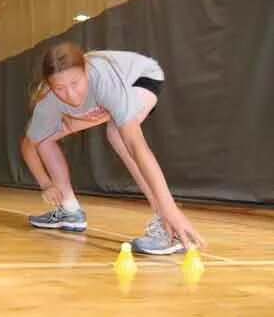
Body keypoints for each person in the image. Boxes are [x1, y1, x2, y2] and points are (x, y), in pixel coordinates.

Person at [21, 41, 205, 254]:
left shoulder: (104, 80)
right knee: (45, 137)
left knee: (118, 133)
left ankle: (166, 223)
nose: (71, 95)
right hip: (110, 97)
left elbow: (136, 146)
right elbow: (29, 145)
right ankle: (69, 209)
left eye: (75, 83)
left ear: (87, 71)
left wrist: (171, 209)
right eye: (60, 88)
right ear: (50, 85)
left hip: (142, 78)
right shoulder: (49, 103)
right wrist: (46, 183)